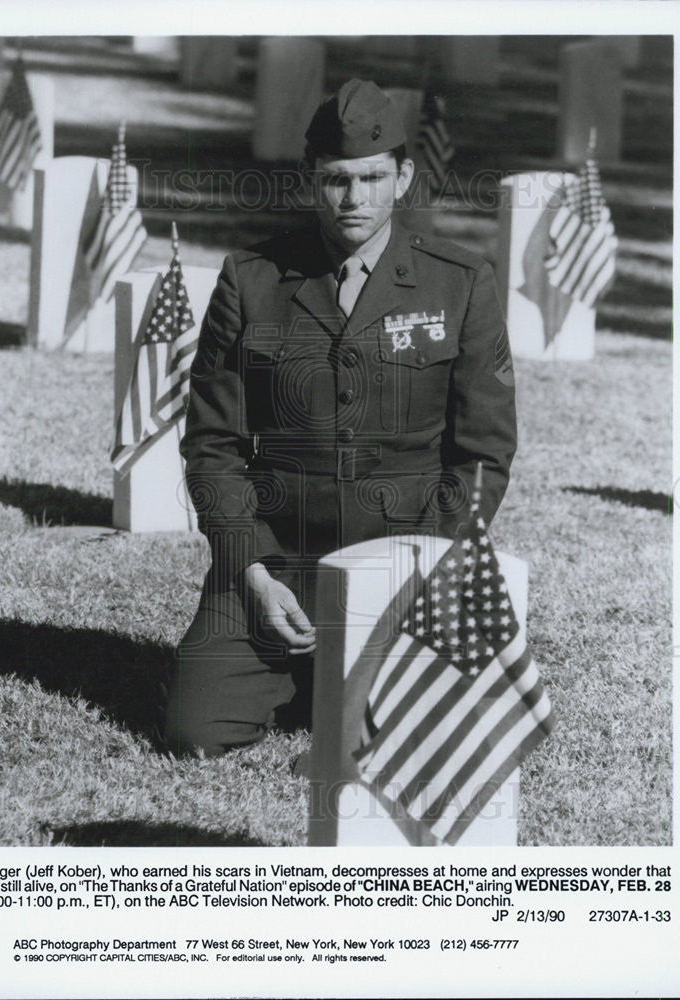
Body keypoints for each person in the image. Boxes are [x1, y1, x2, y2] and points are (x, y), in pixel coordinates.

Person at [164, 79, 517, 757]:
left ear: (403, 176)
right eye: (334, 180)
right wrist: (253, 574)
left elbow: (481, 453)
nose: (353, 199)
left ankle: (333, 671)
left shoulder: (460, 281)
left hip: (402, 560)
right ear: (310, 179)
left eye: (371, 178)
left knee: (422, 740)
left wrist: (426, 565)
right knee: (196, 731)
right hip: (278, 556)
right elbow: (212, 446)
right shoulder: (252, 279)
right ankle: (310, 667)